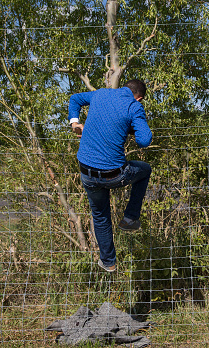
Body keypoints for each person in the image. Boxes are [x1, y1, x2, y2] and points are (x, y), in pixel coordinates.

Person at [68, 79, 153, 272]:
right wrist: (131, 125)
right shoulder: (134, 106)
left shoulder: (100, 94)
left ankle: (108, 262)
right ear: (139, 98)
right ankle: (130, 218)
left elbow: (75, 99)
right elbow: (144, 140)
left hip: (86, 172)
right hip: (113, 175)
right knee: (144, 169)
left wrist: (75, 123)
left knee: (100, 215)